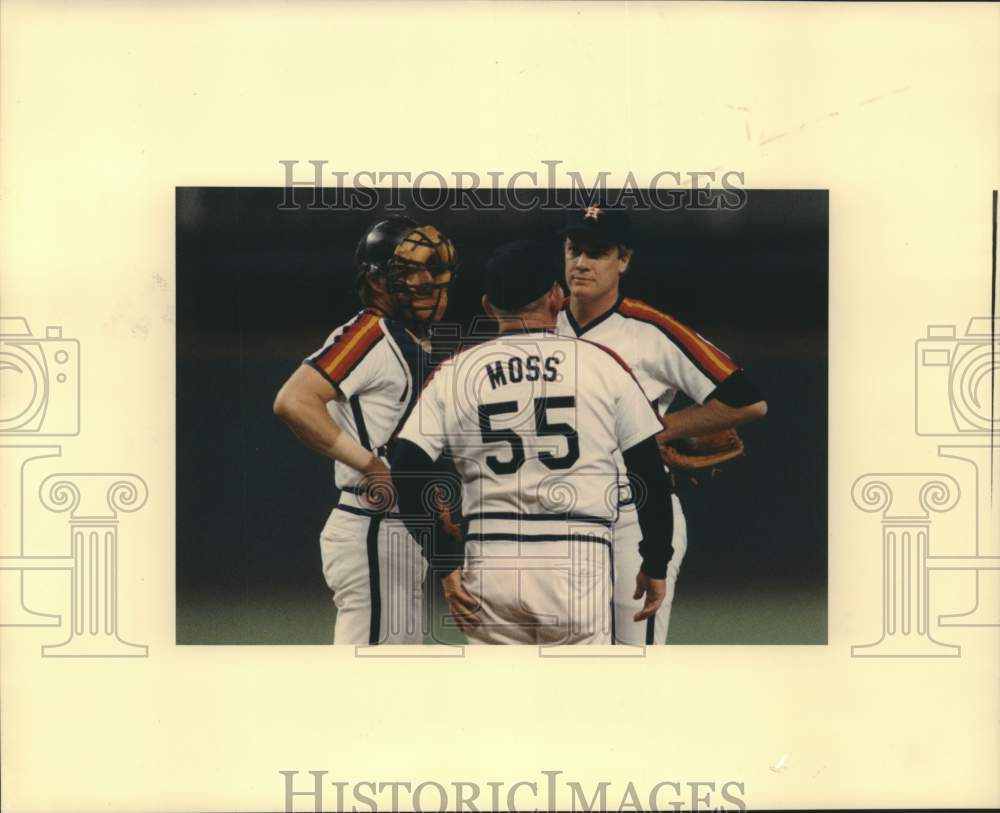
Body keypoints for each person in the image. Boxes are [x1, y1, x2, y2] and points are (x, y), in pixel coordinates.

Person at [389, 240, 675, 645]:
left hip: (491, 560)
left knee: (500, 704)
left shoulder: (457, 372)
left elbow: (405, 465)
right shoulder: (601, 364)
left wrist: (445, 562)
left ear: (488, 307)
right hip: (578, 556)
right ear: (557, 298)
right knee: (577, 703)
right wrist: (656, 561)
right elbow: (649, 471)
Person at [556, 204, 768, 645]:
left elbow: (748, 401)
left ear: (624, 261)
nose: (582, 263)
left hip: (635, 512)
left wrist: (659, 427)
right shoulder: (540, 323)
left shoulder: (650, 330)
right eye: (575, 249)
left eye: (597, 253)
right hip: (557, 516)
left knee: (635, 659)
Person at [273, 216, 457, 644]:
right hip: (373, 524)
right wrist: (369, 464)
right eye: (413, 270)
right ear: (378, 281)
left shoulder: (411, 338)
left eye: (433, 268)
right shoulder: (370, 332)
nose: (427, 280)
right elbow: (293, 400)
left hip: (400, 526)